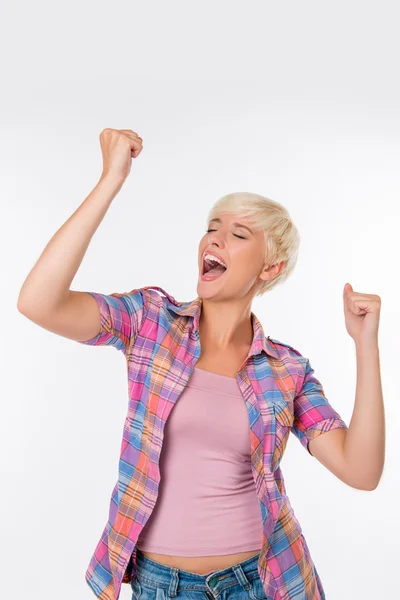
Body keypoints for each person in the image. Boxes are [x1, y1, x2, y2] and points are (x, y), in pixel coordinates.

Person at [17, 129, 381, 600]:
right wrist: (111, 180)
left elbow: (361, 471)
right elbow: (38, 302)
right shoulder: (151, 322)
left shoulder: (285, 369)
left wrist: (365, 344)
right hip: (159, 585)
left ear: (269, 268)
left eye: (238, 233)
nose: (215, 239)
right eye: (212, 227)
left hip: (261, 582)